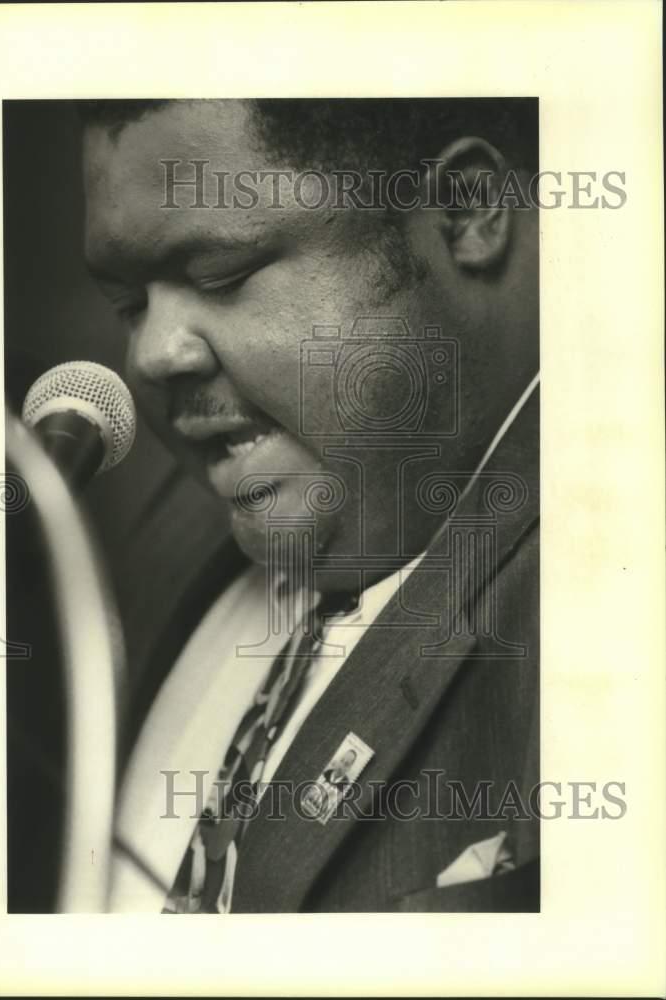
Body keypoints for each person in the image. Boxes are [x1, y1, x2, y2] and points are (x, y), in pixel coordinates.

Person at [78, 98, 540, 912]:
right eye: (129, 306)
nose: (151, 354)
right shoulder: (174, 524)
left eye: (219, 275)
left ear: (466, 211)